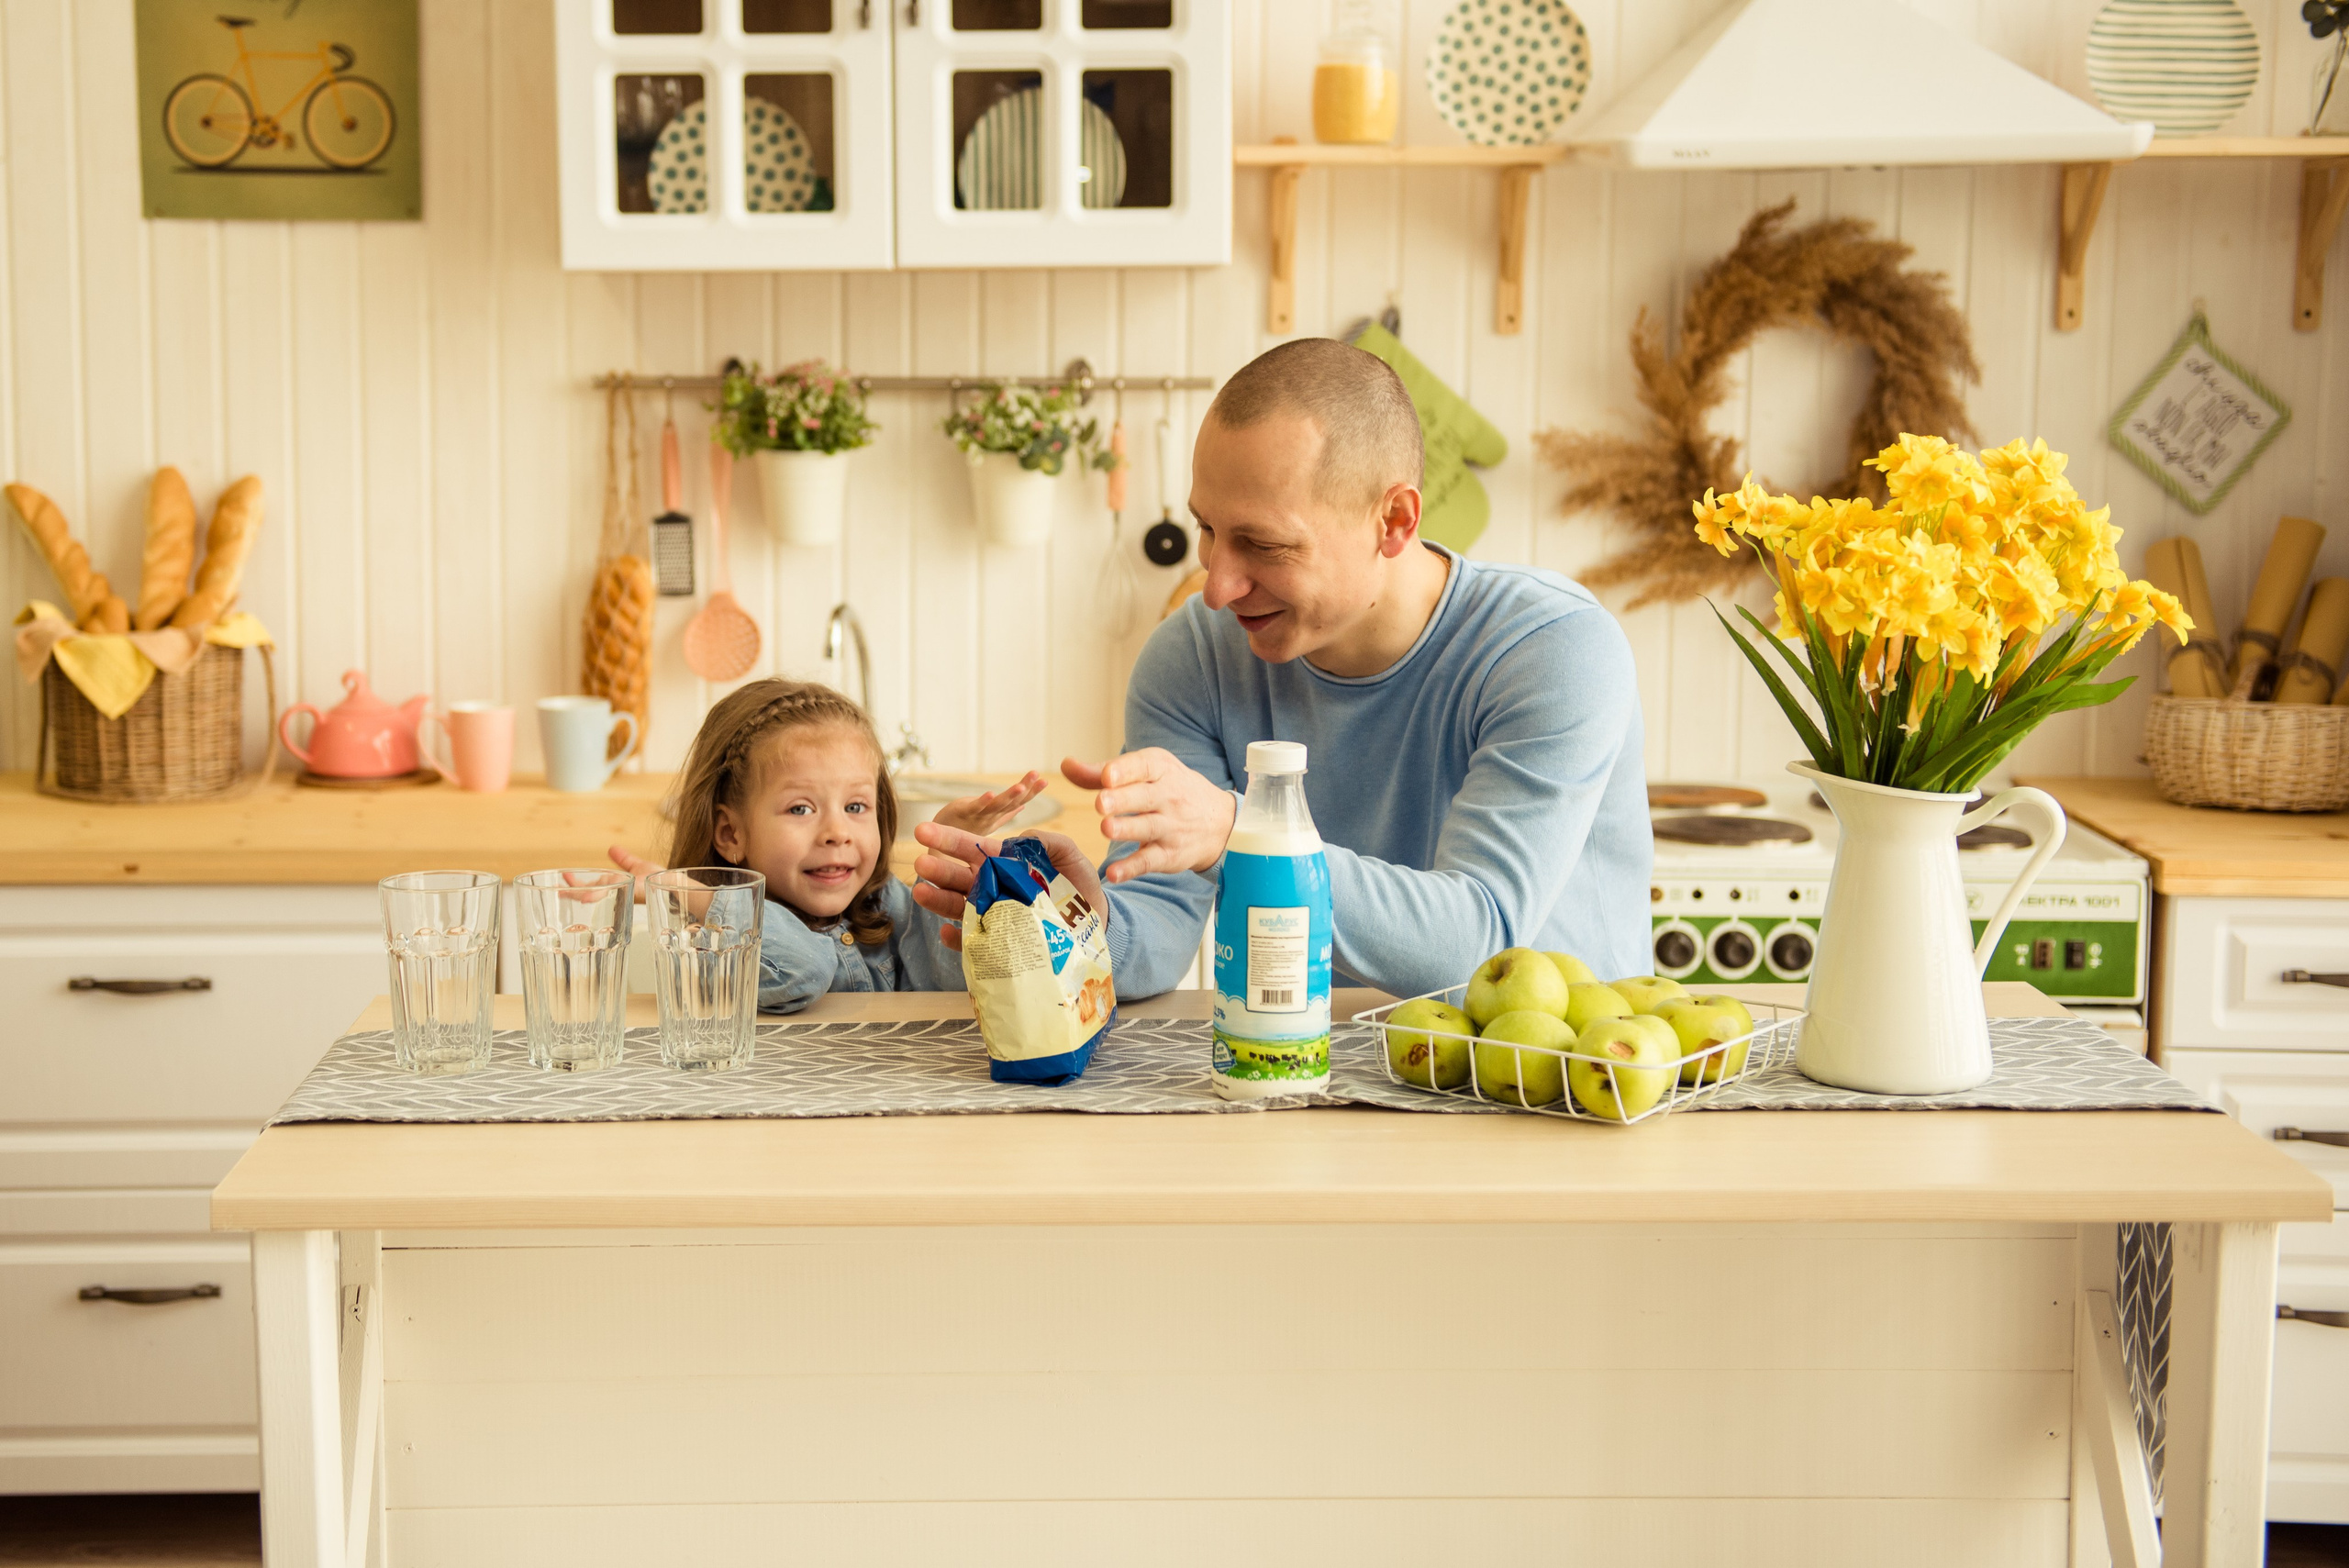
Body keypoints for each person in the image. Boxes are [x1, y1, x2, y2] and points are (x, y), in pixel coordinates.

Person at [914, 337, 1653, 999]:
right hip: (1351, 1075)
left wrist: (1238, 830)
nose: (1216, 586)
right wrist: (1076, 916)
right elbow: (1163, 927)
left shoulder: (1553, 650)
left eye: (1263, 545)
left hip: (1568, 1093)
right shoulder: (1194, 656)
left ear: (1394, 521)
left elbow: (1480, 940)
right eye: (1207, 530)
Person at [609, 679, 1046, 1013]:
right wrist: (699, 896)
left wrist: (946, 862)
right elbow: (806, 970)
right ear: (730, 834)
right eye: (801, 809)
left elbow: (949, 988)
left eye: (856, 805)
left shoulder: (882, 900)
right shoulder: (712, 941)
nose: (837, 832)